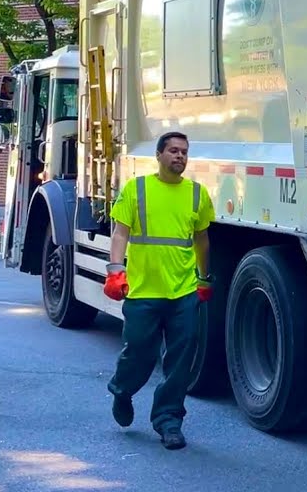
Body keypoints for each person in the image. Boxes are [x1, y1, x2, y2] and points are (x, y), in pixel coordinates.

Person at [103, 131, 215, 450]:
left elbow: (202, 239)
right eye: (173, 150)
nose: (179, 156)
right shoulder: (137, 189)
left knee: (181, 359)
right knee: (139, 352)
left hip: (183, 292)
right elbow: (120, 233)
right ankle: (122, 389)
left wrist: (204, 278)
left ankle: (168, 421)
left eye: (184, 152)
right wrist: (115, 270)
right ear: (159, 155)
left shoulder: (197, 194)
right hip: (143, 291)